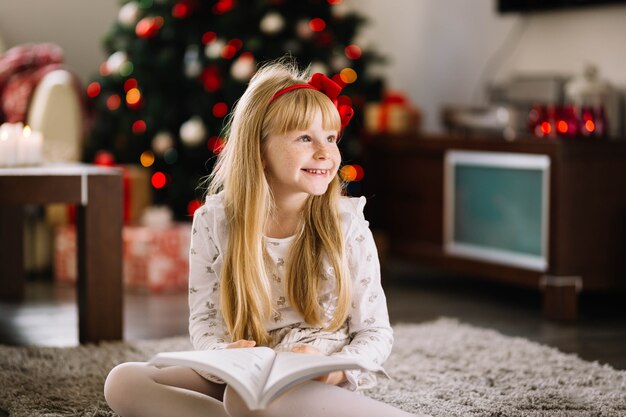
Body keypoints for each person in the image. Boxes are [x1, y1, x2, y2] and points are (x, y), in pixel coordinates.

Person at [104, 60, 426, 417]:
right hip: (243, 372)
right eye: (305, 137)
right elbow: (206, 322)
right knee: (124, 380)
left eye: (331, 138)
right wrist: (220, 355)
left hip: (314, 378)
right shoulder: (215, 221)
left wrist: (335, 369)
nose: (325, 152)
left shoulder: (345, 222)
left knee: (247, 403)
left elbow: (375, 333)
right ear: (258, 149)